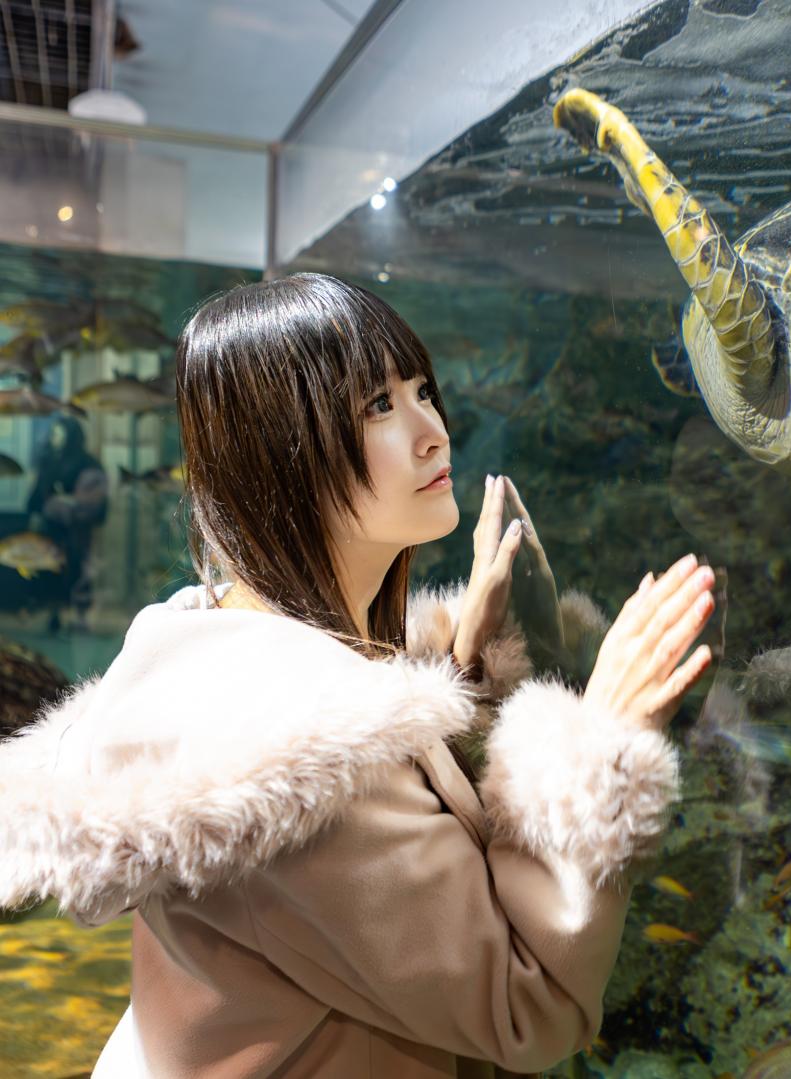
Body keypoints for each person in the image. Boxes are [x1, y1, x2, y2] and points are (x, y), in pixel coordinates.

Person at [0, 273, 716, 1078]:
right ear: (278, 452)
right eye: (377, 407)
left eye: (420, 390)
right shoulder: (303, 756)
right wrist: (599, 743)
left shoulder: (215, 656)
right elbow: (526, 1000)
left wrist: (457, 678)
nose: (432, 432)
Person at [25, 413, 108, 629]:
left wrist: (70, 505)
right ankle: (54, 613)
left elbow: (95, 502)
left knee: (79, 569)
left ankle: (80, 616)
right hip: (52, 529)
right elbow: (39, 492)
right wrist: (37, 512)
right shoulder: (50, 460)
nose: (54, 438)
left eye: (58, 434)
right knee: (52, 570)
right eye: (54, 434)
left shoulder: (87, 463)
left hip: (78, 530)